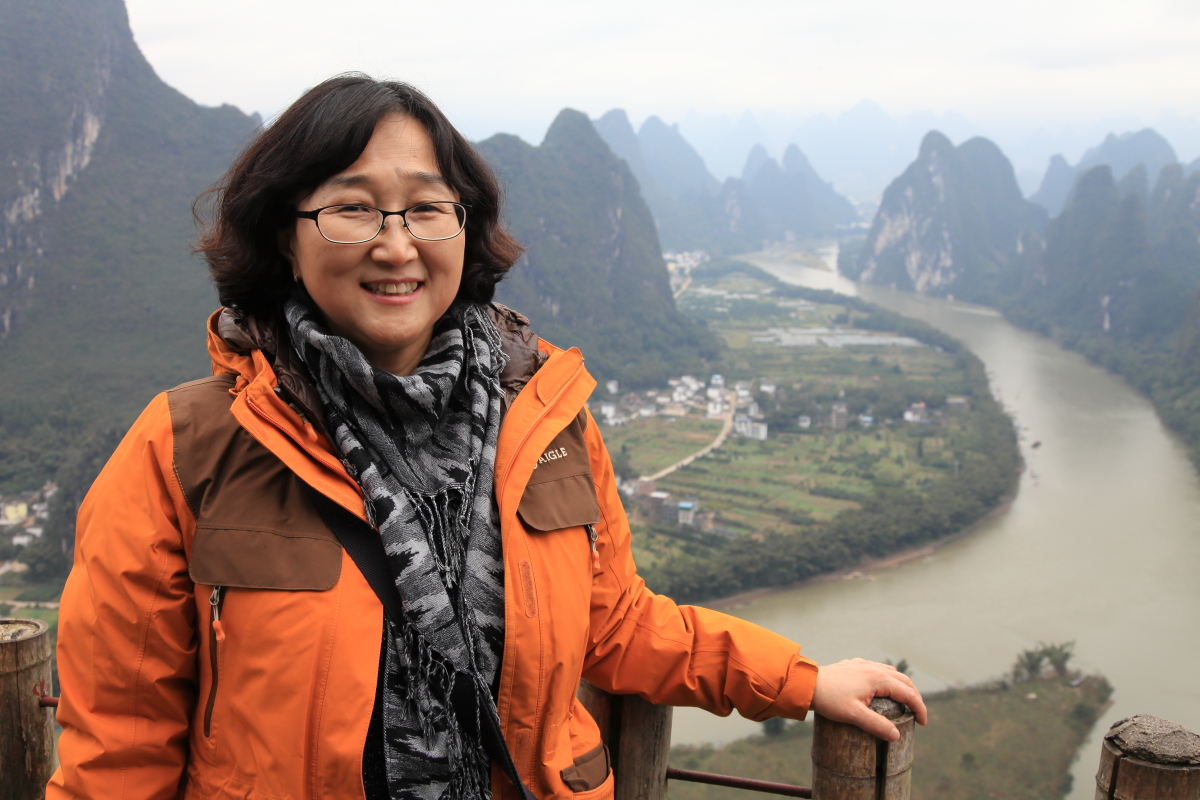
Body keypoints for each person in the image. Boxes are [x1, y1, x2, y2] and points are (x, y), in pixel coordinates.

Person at [48, 75, 925, 800]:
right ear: (286, 234)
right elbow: (120, 750)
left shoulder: (547, 418)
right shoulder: (185, 450)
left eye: (427, 208)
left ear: (465, 228)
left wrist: (802, 681)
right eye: (353, 209)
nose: (397, 246)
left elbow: (616, 624)